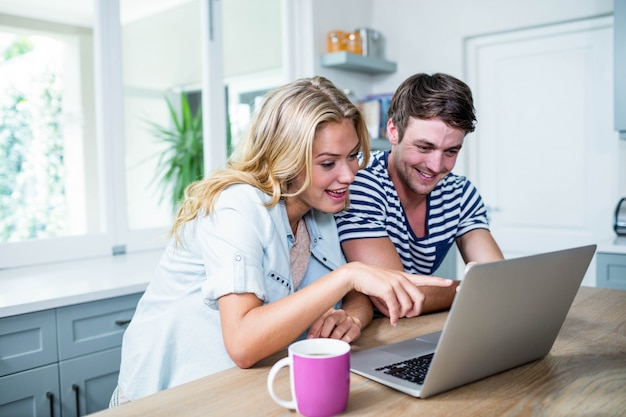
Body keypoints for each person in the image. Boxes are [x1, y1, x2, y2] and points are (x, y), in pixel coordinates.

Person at [110, 76, 454, 405]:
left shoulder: (321, 208)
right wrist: (348, 274)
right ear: (285, 159)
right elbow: (244, 343)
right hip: (166, 397)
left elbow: (357, 296)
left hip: (239, 390)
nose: (349, 175)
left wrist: (352, 316)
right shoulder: (238, 206)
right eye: (327, 163)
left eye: (352, 156)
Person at [335, 72, 504, 319]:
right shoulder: (360, 182)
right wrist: (474, 288)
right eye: (424, 147)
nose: (436, 166)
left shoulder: (460, 193)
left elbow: (498, 279)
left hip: (417, 328)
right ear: (393, 131)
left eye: (451, 151)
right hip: (367, 333)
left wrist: (485, 286)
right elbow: (394, 298)